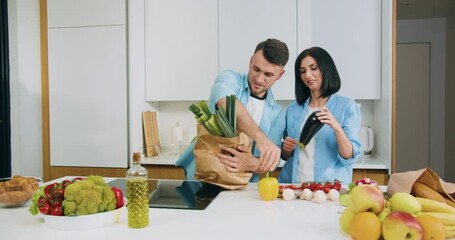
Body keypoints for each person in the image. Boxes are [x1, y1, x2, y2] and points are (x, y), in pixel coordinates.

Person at [176, 38, 290, 182]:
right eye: (256, 69)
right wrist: (261, 138)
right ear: (250, 62)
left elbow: (269, 162)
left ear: (280, 75)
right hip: (201, 178)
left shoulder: (278, 114)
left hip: (242, 188)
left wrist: (252, 164)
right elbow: (226, 104)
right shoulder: (229, 79)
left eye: (268, 74)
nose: (259, 79)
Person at [271, 46, 362, 185]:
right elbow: (286, 155)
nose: (307, 75)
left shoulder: (346, 106)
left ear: (326, 68)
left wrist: (336, 127)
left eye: (313, 68)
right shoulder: (293, 109)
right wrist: (286, 149)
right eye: (303, 71)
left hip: (329, 189)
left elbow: (349, 157)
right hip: (294, 186)